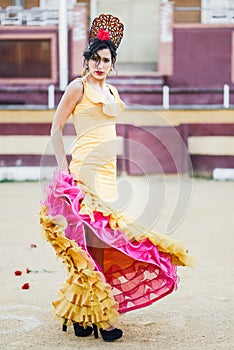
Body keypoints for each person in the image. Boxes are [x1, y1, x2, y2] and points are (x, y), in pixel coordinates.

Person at [39, 14, 193, 343]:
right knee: (95, 241)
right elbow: (55, 128)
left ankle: (82, 314)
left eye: (106, 60)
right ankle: (103, 320)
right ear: (88, 59)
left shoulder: (111, 90)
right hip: (84, 170)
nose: (100, 64)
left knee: (101, 245)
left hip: (108, 173)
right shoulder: (76, 87)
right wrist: (63, 167)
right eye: (95, 58)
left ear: (112, 63)